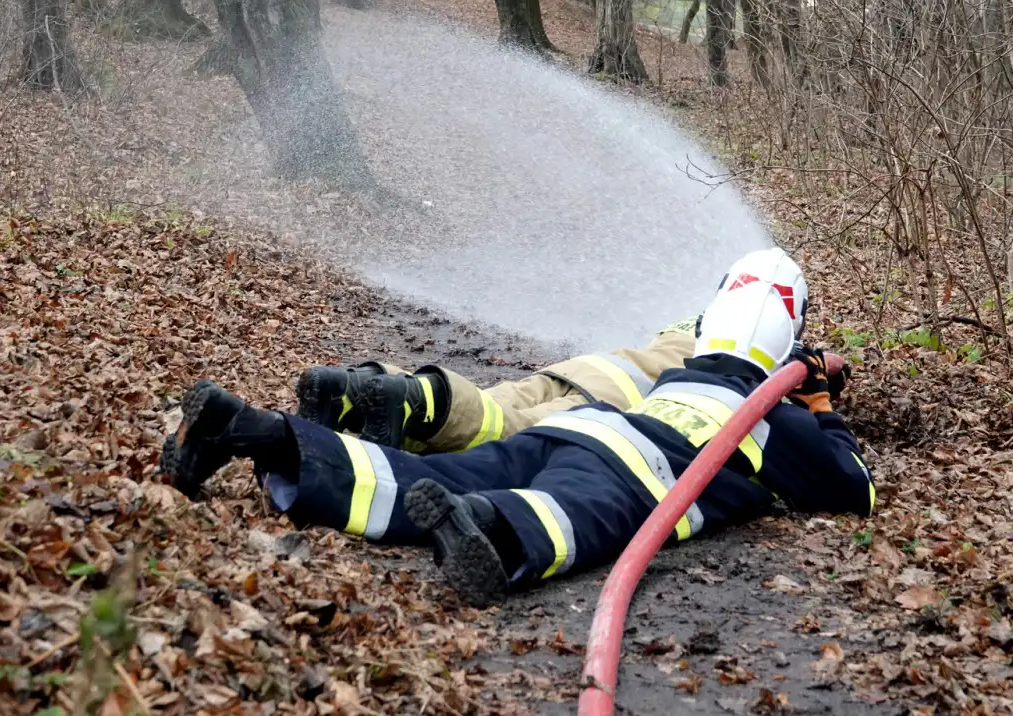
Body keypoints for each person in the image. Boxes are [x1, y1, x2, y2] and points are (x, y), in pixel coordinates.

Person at [160, 252, 873, 608]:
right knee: (574, 514)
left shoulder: (672, 374)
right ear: (787, 350)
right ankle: (490, 532)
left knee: (434, 475)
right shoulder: (776, 423)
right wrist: (817, 404)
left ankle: (259, 434)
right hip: (628, 468)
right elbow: (852, 488)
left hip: (583, 426)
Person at [293, 247, 810, 452]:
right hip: (611, 402)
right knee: (501, 429)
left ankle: (356, 390)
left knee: (496, 403)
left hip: (583, 369)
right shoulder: (760, 354)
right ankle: (407, 404)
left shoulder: (695, 323)